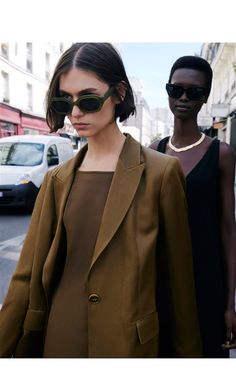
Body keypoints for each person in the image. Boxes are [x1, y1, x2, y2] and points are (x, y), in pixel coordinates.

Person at [0, 44, 202, 358]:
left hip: (127, 345)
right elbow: (26, 275)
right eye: (64, 100)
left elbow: (180, 289)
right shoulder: (57, 179)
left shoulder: (162, 174)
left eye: (89, 99)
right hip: (59, 337)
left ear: (120, 93)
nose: (75, 112)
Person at [150, 55, 236, 358]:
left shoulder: (221, 153)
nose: (183, 98)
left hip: (207, 281)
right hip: (161, 282)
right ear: (168, 92)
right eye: (176, 90)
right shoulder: (154, 152)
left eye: (194, 92)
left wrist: (230, 304)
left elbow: (228, 230)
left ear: (205, 98)